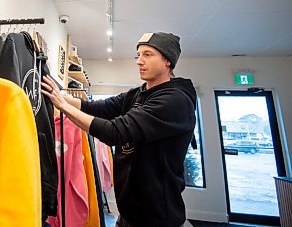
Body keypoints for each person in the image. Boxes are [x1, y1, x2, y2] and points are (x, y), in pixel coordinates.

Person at [42, 32, 196, 227]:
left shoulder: (174, 100)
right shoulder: (139, 94)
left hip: (157, 217)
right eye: (138, 55)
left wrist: (63, 107)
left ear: (168, 60)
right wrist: (60, 97)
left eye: (147, 55)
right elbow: (98, 108)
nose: (139, 61)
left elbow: (115, 132)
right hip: (129, 213)